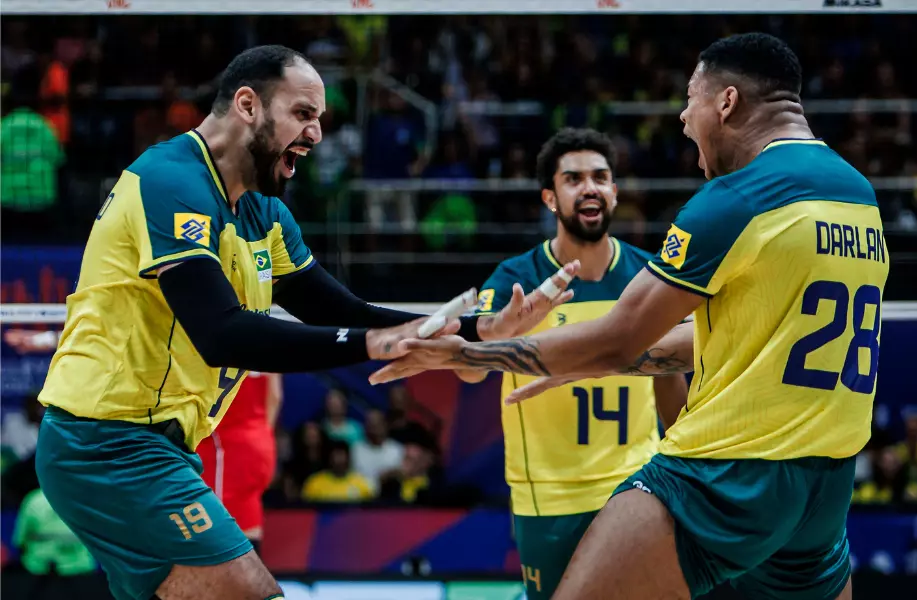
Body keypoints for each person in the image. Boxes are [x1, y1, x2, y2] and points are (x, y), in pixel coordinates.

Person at [33, 45, 576, 600]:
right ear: (248, 105)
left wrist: (481, 328)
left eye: (319, 119)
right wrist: (372, 344)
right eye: (303, 114)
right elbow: (223, 334)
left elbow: (342, 312)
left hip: (159, 446)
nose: (317, 134)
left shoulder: (264, 212)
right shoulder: (171, 180)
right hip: (104, 443)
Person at [370, 33, 890, 600]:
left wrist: (467, 352)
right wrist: (601, 362)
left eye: (691, 100)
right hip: (826, 481)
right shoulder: (857, 193)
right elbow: (747, 336)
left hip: (727, 474)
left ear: (727, 102)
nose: (685, 121)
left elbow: (616, 340)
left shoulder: (737, 199)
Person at [454, 127, 689, 599]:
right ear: (550, 198)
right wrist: (499, 329)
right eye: (574, 178)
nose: (590, 188)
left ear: (615, 192)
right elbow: (469, 369)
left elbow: (669, 376)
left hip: (639, 484)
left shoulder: (650, 276)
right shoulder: (516, 278)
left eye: (601, 177)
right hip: (551, 497)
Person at [196, 372, 282, 553]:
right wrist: (264, 434)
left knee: (218, 523)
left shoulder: (222, 346)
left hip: (228, 444)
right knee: (247, 508)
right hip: (261, 439)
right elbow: (275, 396)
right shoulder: (268, 344)